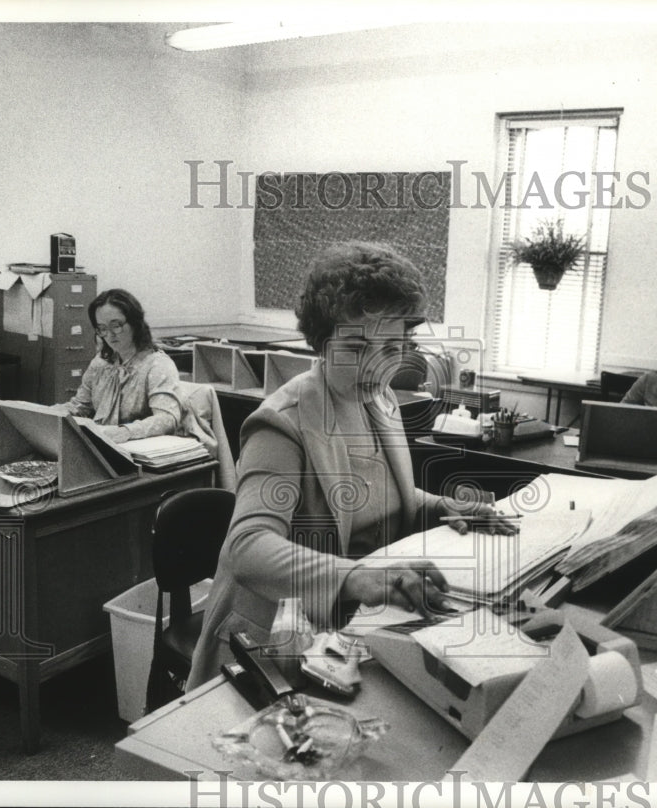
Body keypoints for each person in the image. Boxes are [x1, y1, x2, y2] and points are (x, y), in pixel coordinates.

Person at [187, 241, 512, 690]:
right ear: (323, 341)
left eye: (394, 346)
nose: (378, 366)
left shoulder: (382, 402)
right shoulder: (281, 422)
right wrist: (355, 577)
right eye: (357, 346)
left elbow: (378, 496)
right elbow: (247, 547)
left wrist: (442, 507)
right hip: (272, 640)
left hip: (348, 628)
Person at [56, 288, 182, 443]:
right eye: (102, 328)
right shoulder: (100, 363)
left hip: (138, 449)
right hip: (105, 443)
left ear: (135, 323)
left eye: (116, 325)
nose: (109, 334)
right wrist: (53, 413)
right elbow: (81, 405)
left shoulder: (157, 365)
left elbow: (167, 419)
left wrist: (126, 432)